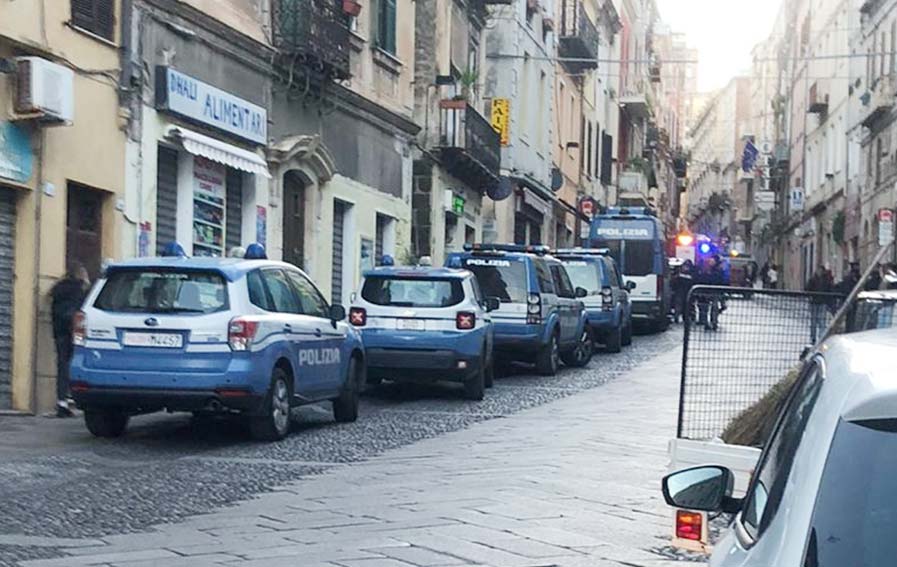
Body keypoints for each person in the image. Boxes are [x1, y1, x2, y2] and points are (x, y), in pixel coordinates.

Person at [50, 262, 90, 417]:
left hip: (59, 331)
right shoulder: (80, 290)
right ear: (81, 274)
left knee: (62, 364)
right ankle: (75, 396)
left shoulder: (57, 289)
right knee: (76, 362)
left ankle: (62, 402)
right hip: (76, 332)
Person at [806, 265, 833, 344]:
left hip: (822, 302)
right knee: (814, 321)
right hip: (814, 302)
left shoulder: (825, 280)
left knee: (821, 321)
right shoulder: (813, 279)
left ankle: (821, 337)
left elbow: (829, 289)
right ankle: (813, 337)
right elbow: (807, 288)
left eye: (820, 270)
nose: (819, 272)